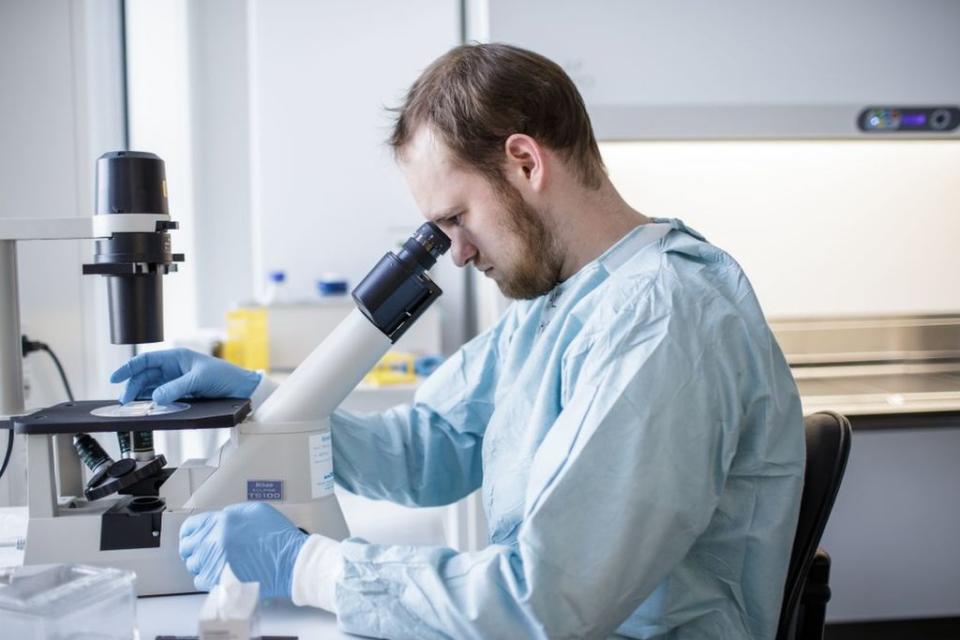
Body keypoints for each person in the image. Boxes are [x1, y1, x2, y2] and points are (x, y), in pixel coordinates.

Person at [111, 44, 804, 639]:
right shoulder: (557, 304)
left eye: (456, 218)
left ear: (525, 163)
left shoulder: (662, 318)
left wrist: (308, 565)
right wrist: (270, 402)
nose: (459, 253)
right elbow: (429, 450)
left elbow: (547, 598)